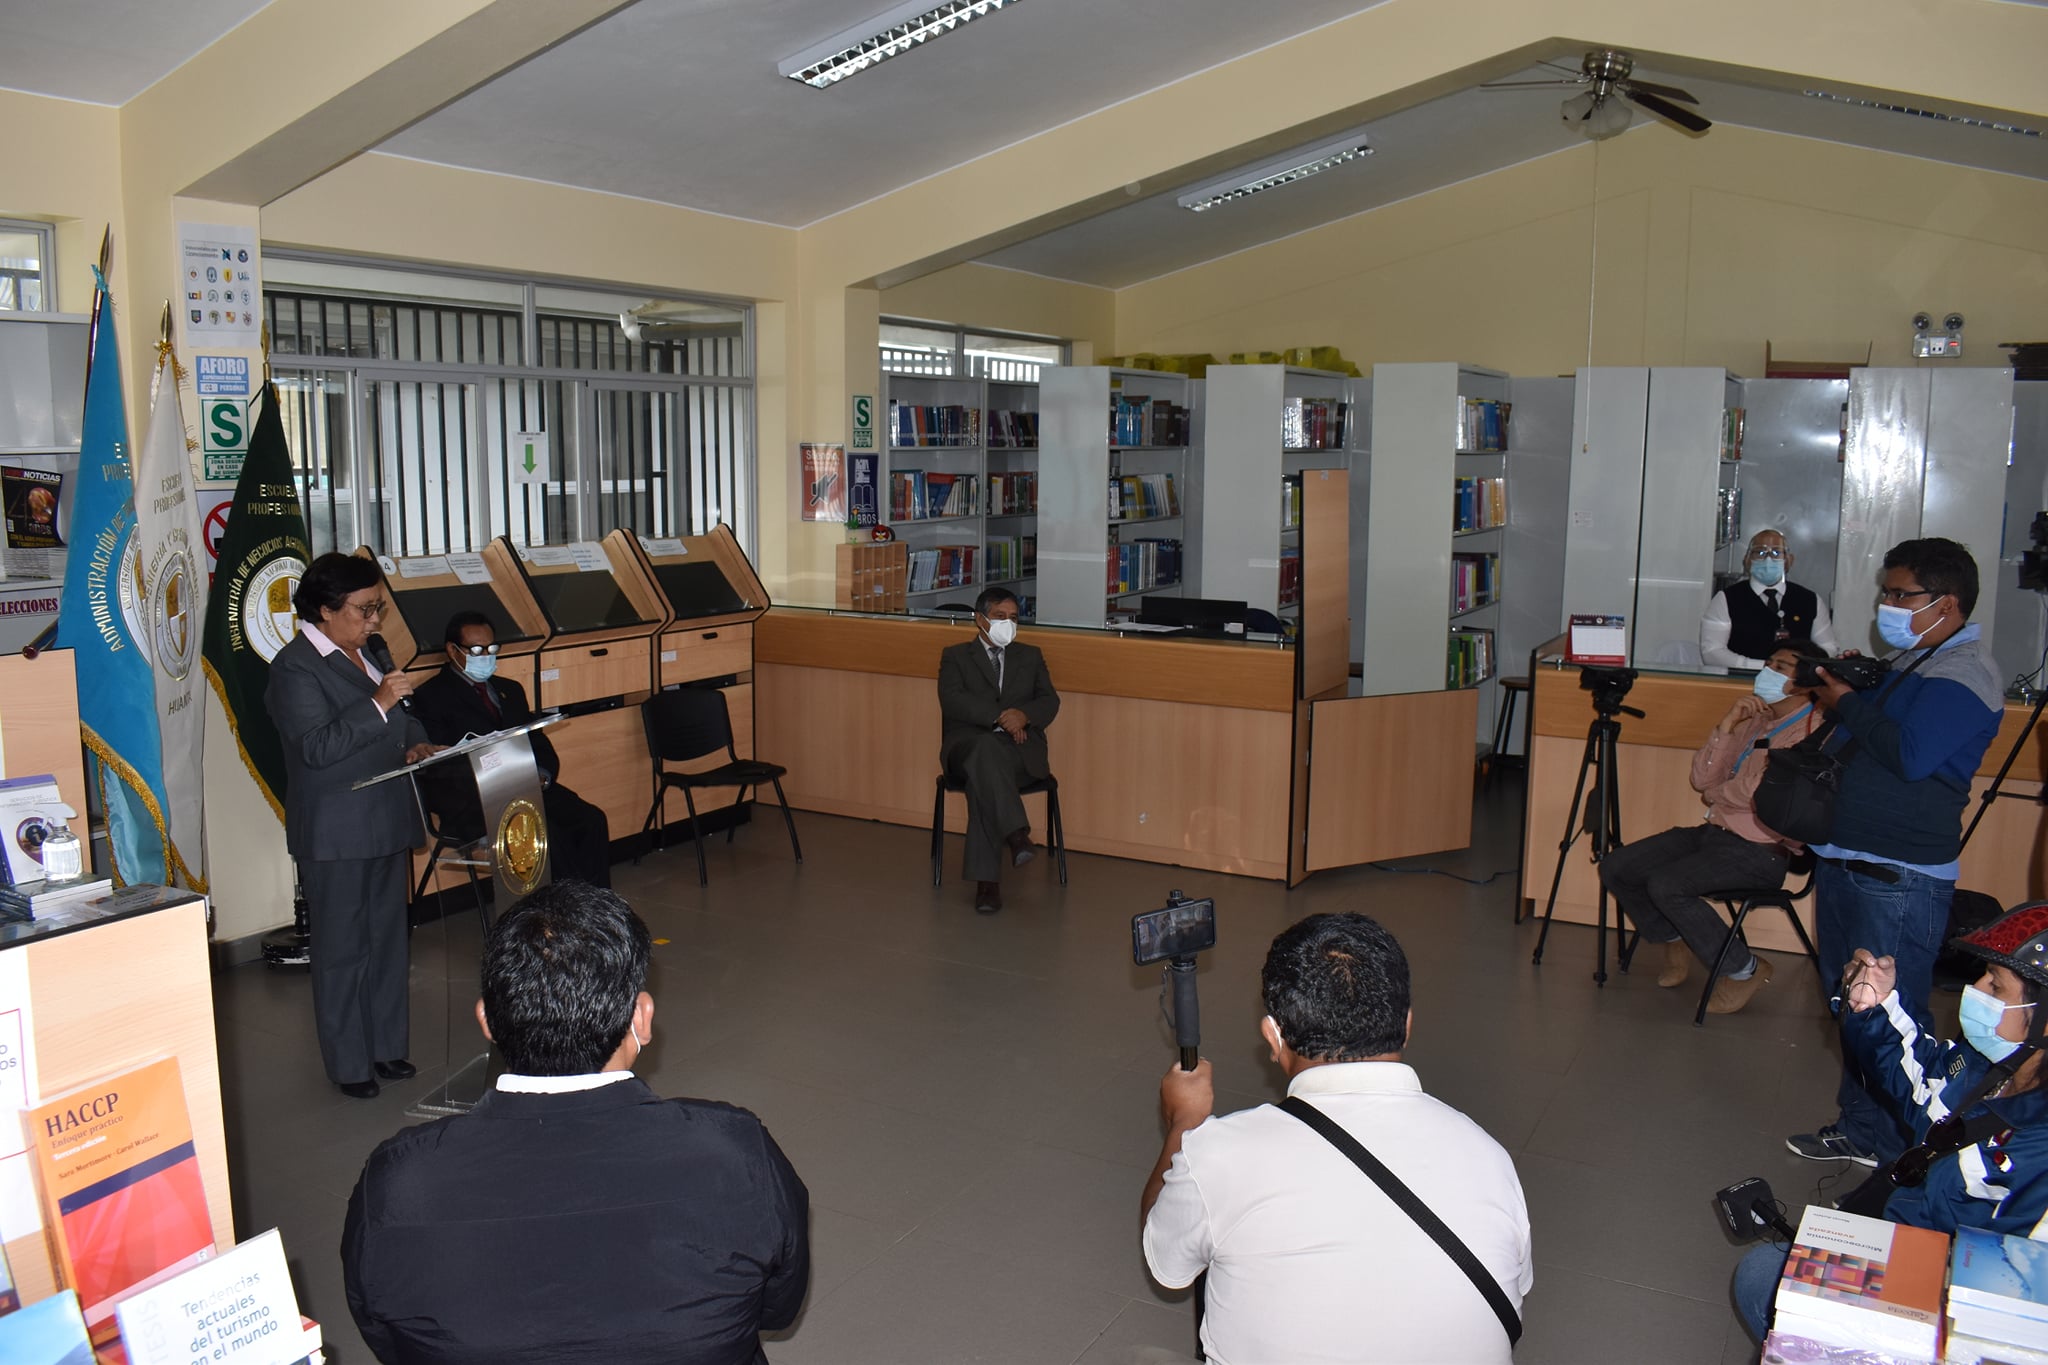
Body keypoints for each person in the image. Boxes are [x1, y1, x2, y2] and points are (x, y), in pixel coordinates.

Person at [342, 881, 810, 1364]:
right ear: (642, 1019)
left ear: (487, 1022)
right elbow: (775, 1307)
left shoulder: (397, 1183)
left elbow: (388, 1337)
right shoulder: (736, 1153)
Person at [1141, 913, 1532, 1364]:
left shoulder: (1220, 1154)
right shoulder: (1489, 1158)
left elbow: (1166, 1261)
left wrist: (1183, 1122)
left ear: (1273, 1036)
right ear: (1406, 1023)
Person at [1788, 537, 2006, 1167]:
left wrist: (1850, 703)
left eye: (1900, 593)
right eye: (1886, 591)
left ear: (1947, 602)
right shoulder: (1917, 659)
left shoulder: (1967, 671)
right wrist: (1855, 686)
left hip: (1899, 877)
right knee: (1852, 1005)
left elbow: (1911, 755)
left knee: (1893, 1016)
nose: (1888, 603)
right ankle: (1860, 1130)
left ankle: (1896, 1152)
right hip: (1849, 861)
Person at [1734, 904, 2048, 1343]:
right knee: (1769, 1270)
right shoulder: (1991, 1065)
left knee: (1763, 1276)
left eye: (1996, 985)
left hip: (1951, 1303)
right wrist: (1875, 1007)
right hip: (1912, 1235)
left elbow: (2008, 1301)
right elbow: (1924, 1080)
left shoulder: (2036, 1148)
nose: (1975, 988)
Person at [265, 553, 438, 1100]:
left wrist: (412, 734)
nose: (374, 622)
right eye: (364, 610)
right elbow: (317, 748)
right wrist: (381, 703)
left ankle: (386, 1047)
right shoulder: (294, 668)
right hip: (336, 832)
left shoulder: (369, 654)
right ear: (325, 609)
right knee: (343, 950)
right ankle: (349, 1063)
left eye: (378, 608)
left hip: (386, 816)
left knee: (387, 942)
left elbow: (401, 713)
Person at [1599, 639, 1830, 1015]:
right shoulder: (1755, 718)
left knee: (1668, 885)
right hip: (1714, 834)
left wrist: (1717, 794)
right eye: (1768, 661)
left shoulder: (1812, 730)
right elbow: (1701, 779)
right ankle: (1675, 936)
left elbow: (1758, 795)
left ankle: (1745, 969)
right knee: (1617, 867)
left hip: (1761, 852)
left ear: (1806, 682)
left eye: (1782, 666)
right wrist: (1726, 725)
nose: (1768, 670)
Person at [412, 610, 613, 889]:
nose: (486, 656)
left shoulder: (510, 689)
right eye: (477, 650)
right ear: (452, 650)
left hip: (529, 788)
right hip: (476, 800)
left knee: (590, 820)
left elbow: (538, 742)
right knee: (547, 836)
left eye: (492, 648)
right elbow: (440, 768)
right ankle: (563, 910)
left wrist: (542, 775)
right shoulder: (431, 697)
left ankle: (595, 904)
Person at [936, 586, 1060, 914]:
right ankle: (1016, 833)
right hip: (966, 748)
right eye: (1000, 617)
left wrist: (1025, 715)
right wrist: (1000, 718)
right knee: (984, 751)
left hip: (1020, 754)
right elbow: (952, 700)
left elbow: (1049, 700)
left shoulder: (1030, 656)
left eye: (1014, 618)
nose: (1009, 623)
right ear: (980, 620)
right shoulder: (956, 656)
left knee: (985, 777)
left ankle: (988, 882)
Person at [1700, 529, 1838, 669]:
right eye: (1760, 553)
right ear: (1747, 560)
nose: (1768, 559)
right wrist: (1765, 666)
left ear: (1789, 560)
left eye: (1777, 553)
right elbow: (1712, 653)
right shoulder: (1726, 599)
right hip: (1740, 681)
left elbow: (1828, 649)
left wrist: (1800, 668)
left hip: (1795, 685)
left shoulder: (1810, 600)